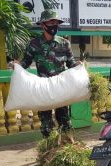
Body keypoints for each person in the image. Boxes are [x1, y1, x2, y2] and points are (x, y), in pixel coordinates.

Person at [19, 10, 80, 141]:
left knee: (65, 123)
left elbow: (71, 64)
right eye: (51, 22)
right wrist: (17, 66)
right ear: (43, 25)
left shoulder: (64, 43)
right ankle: (49, 150)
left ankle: (66, 149)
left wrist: (79, 66)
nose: (54, 25)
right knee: (46, 126)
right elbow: (26, 62)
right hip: (43, 90)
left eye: (56, 23)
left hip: (61, 89)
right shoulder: (34, 44)